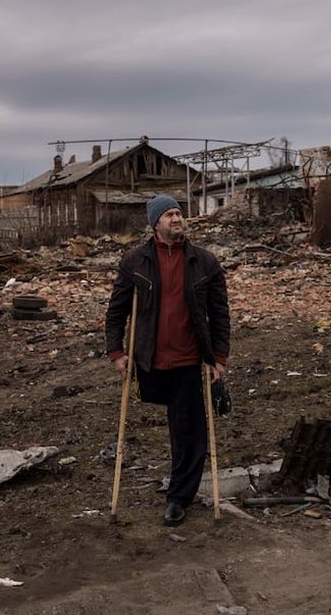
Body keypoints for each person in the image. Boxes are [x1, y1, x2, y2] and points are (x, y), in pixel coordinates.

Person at [105, 194, 230, 526]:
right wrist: (116, 352)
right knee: (171, 423)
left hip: (189, 360)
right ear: (155, 223)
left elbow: (219, 313)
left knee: (189, 432)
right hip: (149, 360)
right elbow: (117, 310)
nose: (177, 218)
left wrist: (218, 358)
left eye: (179, 213)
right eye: (169, 214)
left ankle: (179, 497)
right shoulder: (135, 261)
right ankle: (175, 487)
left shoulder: (204, 262)